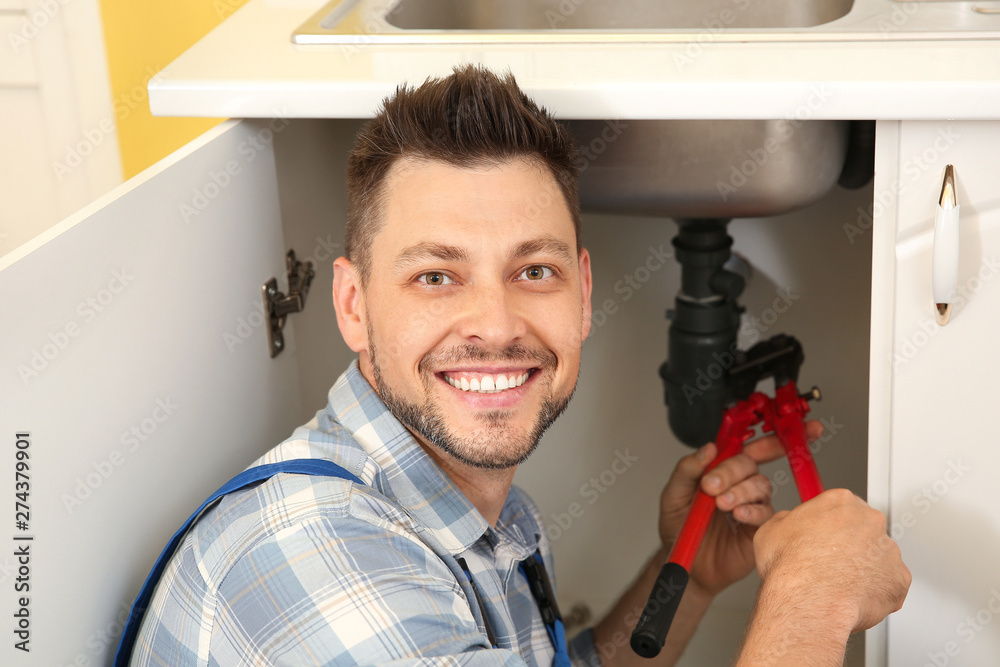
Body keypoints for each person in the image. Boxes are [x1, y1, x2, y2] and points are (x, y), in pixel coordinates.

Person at [129, 65, 910, 666]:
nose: (497, 325)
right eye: (436, 275)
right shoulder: (315, 554)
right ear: (352, 304)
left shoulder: (457, 513)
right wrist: (811, 600)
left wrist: (688, 574)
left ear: (583, 294)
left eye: (534, 270)